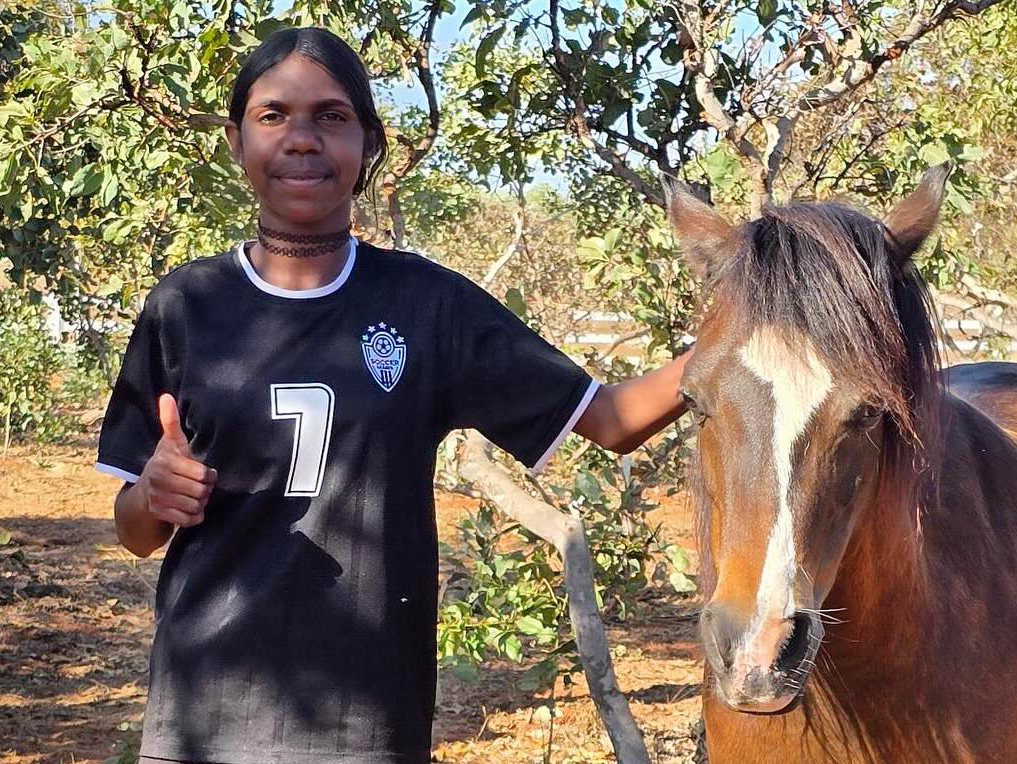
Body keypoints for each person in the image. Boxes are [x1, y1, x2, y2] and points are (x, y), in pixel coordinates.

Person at [95, 26, 692, 764]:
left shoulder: (428, 306)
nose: (302, 138)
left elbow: (610, 418)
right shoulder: (186, 304)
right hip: (201, 714)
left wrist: (736, 342)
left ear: (369, 143)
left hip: (364, 720)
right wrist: (153, 496)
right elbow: (135, 533)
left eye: (331, 116)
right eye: (273, 115)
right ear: (235, 141)